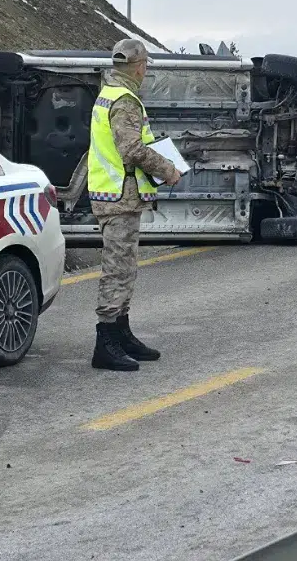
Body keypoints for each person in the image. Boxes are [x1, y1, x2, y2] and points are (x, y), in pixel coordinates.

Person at [87, 38, 182, 372]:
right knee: (117, 269)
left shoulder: (109, 94)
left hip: (117, 195)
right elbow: (131, 150)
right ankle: (106, 342)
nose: (145, 71)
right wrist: (168, 169)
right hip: (118, 197)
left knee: (125, 267)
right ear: (137, 66)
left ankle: (121, 333)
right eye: (144, 65)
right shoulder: (124, 101)